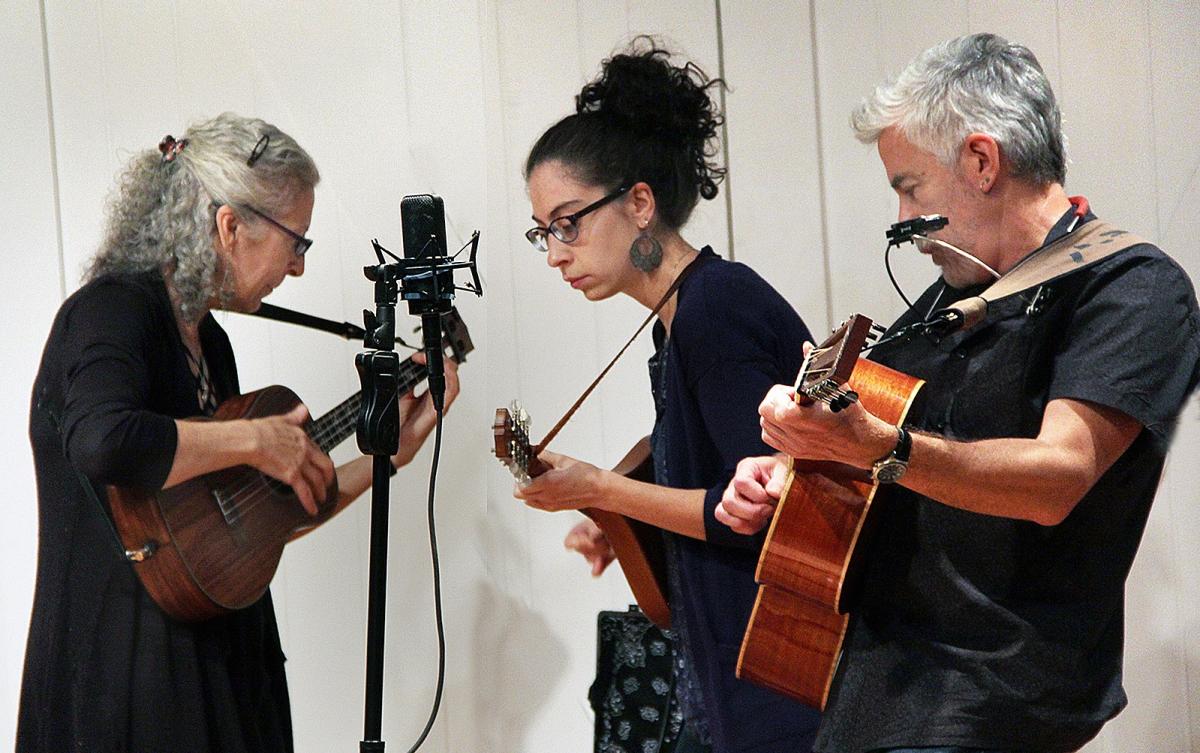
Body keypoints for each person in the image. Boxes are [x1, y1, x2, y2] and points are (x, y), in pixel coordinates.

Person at [716, 33, 1200, 753]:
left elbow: (1057, 478)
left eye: (910, 187)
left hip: (990, 701)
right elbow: (879, 446)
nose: (904, 222)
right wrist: (794, 468)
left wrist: (881, 447)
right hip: (878, 693)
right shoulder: (951, 297)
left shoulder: (1131, 287)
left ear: (980, 161)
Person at [17, 113, 458, 753]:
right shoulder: (111, 311)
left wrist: (386, 459)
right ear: (230, 227)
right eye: (297, 242)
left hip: (225, 664)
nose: (299, 268)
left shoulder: (211, 343)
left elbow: (255, 519)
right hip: (126, 680)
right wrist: (256, 441)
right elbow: (102, 439)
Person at [512, 40, 821, 753]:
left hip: (777, 686)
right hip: (740, 678)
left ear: (639, 202)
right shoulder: (685, 315)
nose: (556, 251)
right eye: (543, 232)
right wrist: (616, 501)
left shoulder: (713, 309)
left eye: (568, 222)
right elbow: (702, 449)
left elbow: (757, 507)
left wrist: (605, 491)